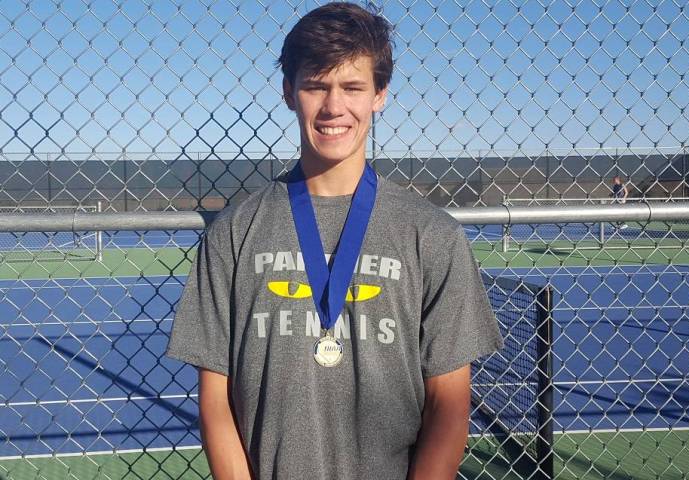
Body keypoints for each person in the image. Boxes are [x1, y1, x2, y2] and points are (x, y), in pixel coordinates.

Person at [166, 3, 502, 479]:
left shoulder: (432, 235)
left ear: (379, 95)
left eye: (352, 87)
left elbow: (449, 402)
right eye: (315, 86)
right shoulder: (235, 232)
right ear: (288, 92)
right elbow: (216, 399)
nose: (333, 107)